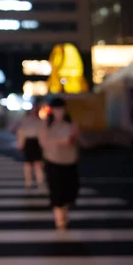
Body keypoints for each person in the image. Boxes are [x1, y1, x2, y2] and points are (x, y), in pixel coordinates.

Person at [39, 97, 80, 231]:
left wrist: (70, 140)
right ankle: (59, 220)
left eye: (61, 109)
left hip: (69, 161)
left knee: (69, 191)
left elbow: (76, 137)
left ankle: (64, 214)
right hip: (53, 161)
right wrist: (62, 140)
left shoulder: (71, 123)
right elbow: (44, 141)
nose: (59, 112)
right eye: (56, 109)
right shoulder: (47, 124)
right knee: (56, 191)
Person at [16, 106, 45, 188]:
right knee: (28, 164)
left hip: (35, 142)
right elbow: (21, 132)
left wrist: (43, 145)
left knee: (37, 164)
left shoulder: (39, 121)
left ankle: (38, 182)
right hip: (29, 142)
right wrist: (20, 144)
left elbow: (42, 133)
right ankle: (29, 181)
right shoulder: (26, 121)